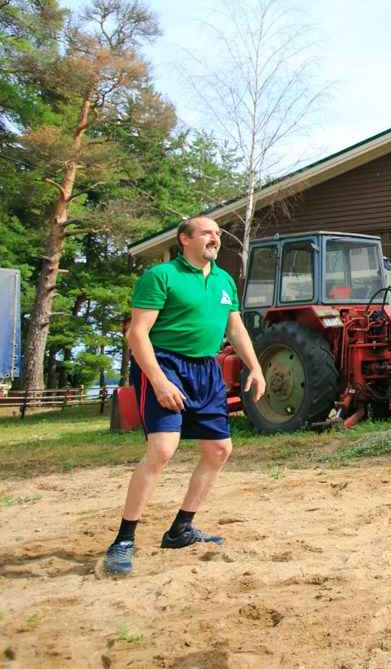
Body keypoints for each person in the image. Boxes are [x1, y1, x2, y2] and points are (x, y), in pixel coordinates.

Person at [99, 217, 265, 578]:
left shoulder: (223, 280)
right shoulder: (161, 277)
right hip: (164, 364)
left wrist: (255, 366)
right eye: (207, 232)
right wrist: (158, 381)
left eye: (218, 234)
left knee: (219, 450)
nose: (215, 238)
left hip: (205, 370)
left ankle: (180, 530)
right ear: (185, 239)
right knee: (162, 449)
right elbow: (137, 334)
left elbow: (234, 327)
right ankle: (124, 540)